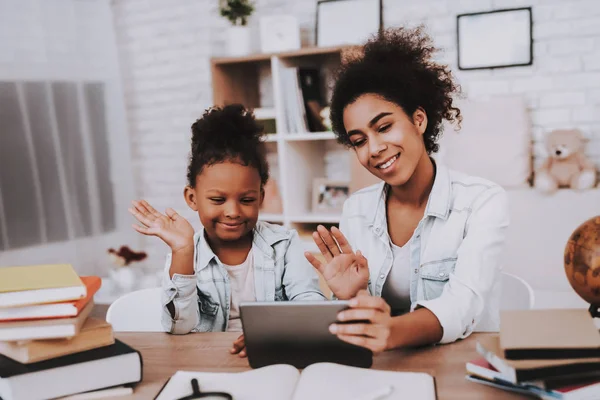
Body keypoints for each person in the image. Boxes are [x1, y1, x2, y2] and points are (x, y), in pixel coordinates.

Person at [304, 26, 509, 353]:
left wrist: (394, 331)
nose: (374, 149)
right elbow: (368, 320)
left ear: (418, 120)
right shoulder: (356, 209)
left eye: (384, 127)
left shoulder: (481, 202)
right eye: (359, 141)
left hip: (465, 364)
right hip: (388, 365)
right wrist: (352, 296)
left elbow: (464, 303)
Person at [129, 105, 326, 357]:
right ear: (192, 198)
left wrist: (271, 332)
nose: (233, 212)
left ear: (261, 197)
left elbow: (309, 304)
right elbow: (178, 328)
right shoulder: (186, 253)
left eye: (246, 200)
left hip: (274, 352)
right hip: (210, 359)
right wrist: (182, 250)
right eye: (218, 200)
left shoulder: (285, 244)